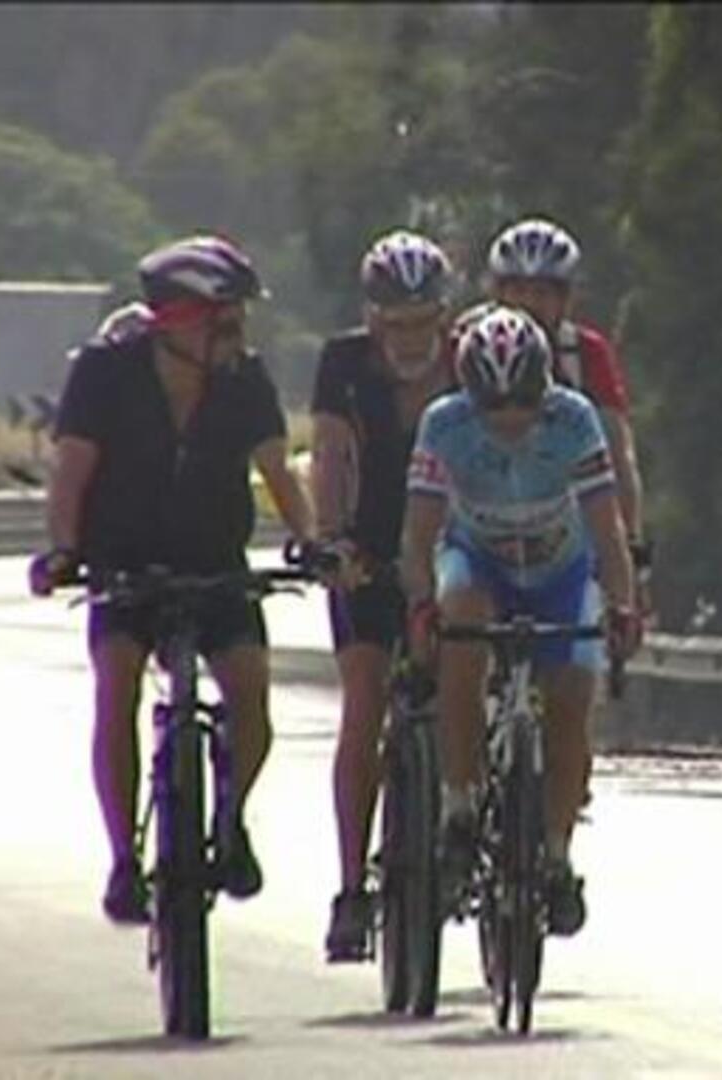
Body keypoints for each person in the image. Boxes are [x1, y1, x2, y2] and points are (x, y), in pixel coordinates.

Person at [28, 234, 324, 925]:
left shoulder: (245, 381)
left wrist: (313, 544)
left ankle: (230, 818)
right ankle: (125, 860)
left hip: (214, 561)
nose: (238, 335)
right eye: (225, 320)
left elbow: (280, 472)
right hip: (123, 563)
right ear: (176, 320)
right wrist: (64, 551)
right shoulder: (105, 373)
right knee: (118, 682)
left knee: (250, 689)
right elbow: (71, 473)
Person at [400, 304, 642, 939]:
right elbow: (419, 535)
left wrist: (622, 606)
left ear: (545, 391)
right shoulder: (443, 425)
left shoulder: (575, 419)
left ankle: (558, 857)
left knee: (570, 703)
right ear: (469, 397)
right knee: (460, 631)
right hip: (479, 562)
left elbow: (608, 531)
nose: (509, 425)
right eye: (494, 412)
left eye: (523, 409)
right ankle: (457, 803)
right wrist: (421, 606)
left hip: (562, 570)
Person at [310, 230, 458, 962]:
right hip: (367, 550)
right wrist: (330, 539)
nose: (409, 339)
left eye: (422, 322)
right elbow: (331, 456)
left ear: (445, 315)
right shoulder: (343, 364)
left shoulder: (469, 362)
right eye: (394, 324)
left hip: (451, 548)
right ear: (371, 319)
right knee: (364, 703)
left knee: (466, 678)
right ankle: (350, 888)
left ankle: (468, 821)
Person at [483, 218, 654, 612]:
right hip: (485, 519)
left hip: (565, 529)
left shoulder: (585, 353)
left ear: (566, 299)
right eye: (518, 291)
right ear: (497, 294)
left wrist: (631, 550)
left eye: (542, 292)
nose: (528, 304)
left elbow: (618, 455)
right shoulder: (466, 344)